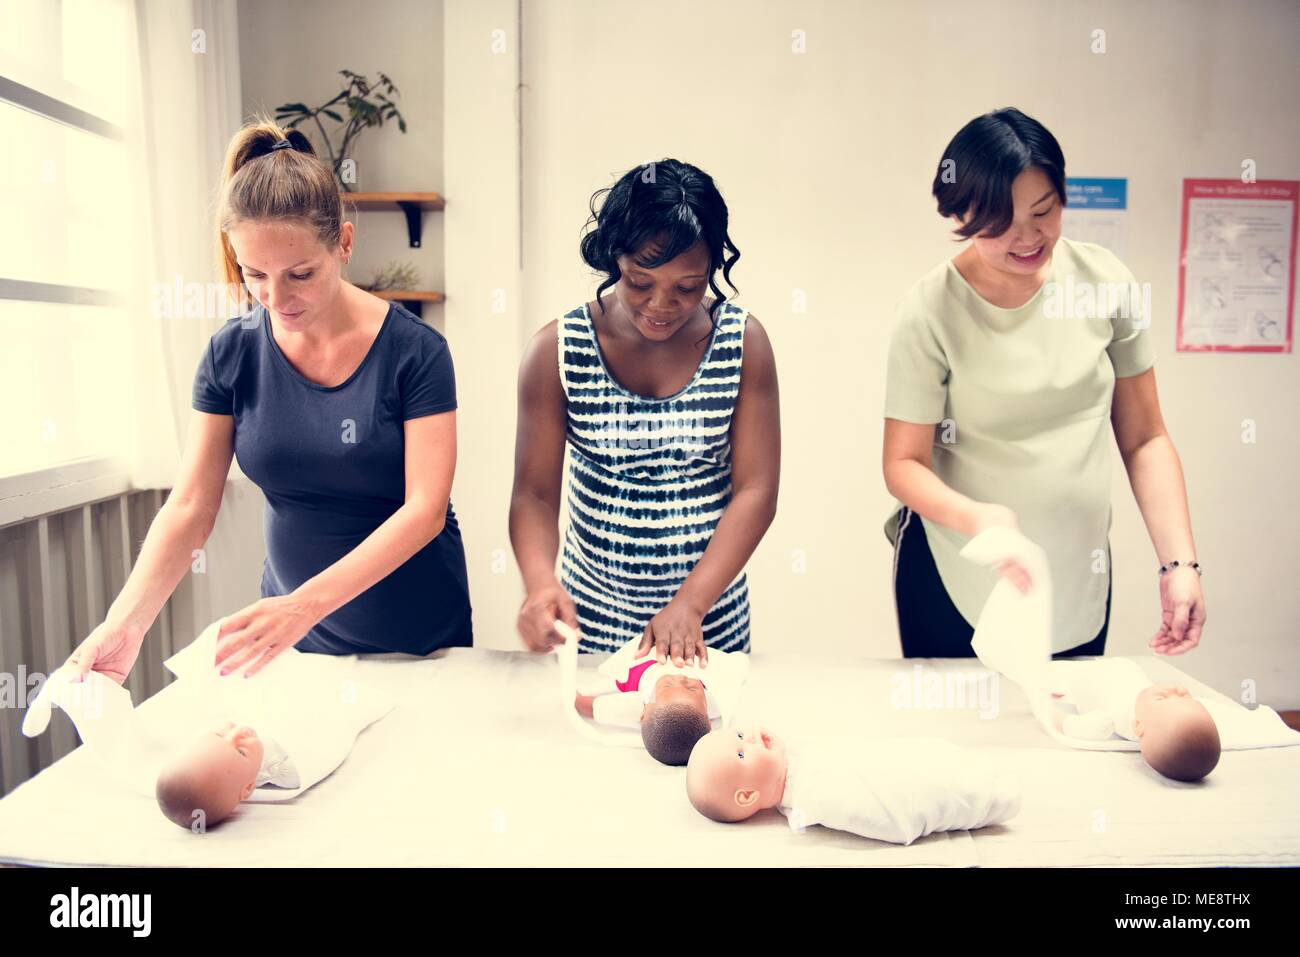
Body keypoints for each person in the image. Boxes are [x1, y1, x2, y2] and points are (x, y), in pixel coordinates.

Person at [66, 120, 472, 683]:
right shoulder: (231, 354)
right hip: (291, 648)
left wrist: (304, 606)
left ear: (345, 244)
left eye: (299, 274)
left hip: (418, 643)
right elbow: (190, 507)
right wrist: (125, 623)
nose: (275, 298)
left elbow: (423, 512)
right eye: (254, 274)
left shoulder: (416, 352)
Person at [882, 107, 1205, 659]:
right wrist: (979, 518)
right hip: (958, 566)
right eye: (1000, 222)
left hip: (1075, 569)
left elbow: (1145, 437)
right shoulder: (930, 309)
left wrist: (1180, 563)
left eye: (1044, 211)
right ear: (960, 214)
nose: (1027, 237)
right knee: (961, 737)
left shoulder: (1105, 284)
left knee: (1066, 733)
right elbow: (903, 463)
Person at [510, 159, 780, 667]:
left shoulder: (744, 343)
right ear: (615, 258)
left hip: (708, 623)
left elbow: (756, 490)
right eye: (640, 281)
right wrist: (540, 584)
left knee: (701, 744)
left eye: (687, 286)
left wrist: (691, 604)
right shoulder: (556, 350)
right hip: (589, 622)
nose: (661, 304)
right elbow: (534, 494)